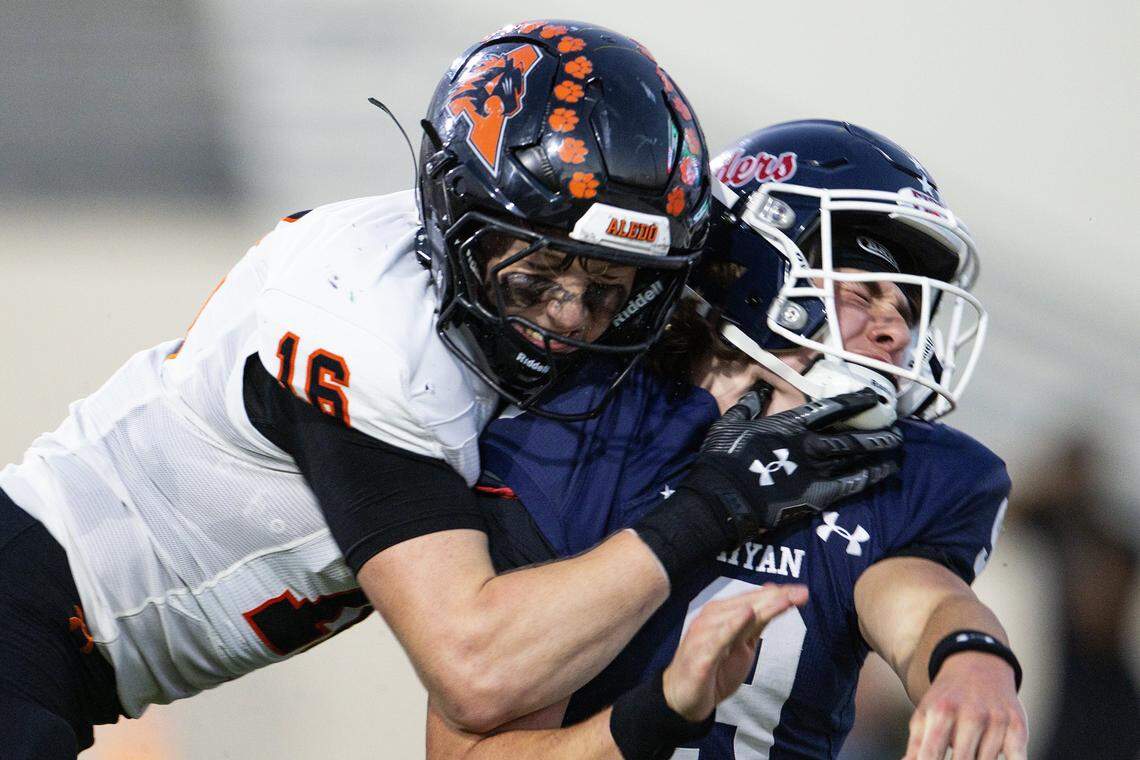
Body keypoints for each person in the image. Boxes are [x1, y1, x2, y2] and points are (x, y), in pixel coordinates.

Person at [0, 24, 901, 759]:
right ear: (453, 215)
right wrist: (722, 501)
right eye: (540, 273)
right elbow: (474, 666)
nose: (568, 318)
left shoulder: (488, 285)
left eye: (609, 287)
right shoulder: (364, 325)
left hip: (68, 655)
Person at [425, 120, 1028, 759]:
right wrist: (657, 712)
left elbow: (922, 603)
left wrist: (971, 659)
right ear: (754, 267)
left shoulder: (885, 468)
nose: (895, 333)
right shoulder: (589, 430)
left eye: (907, 311)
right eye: (863, 292)